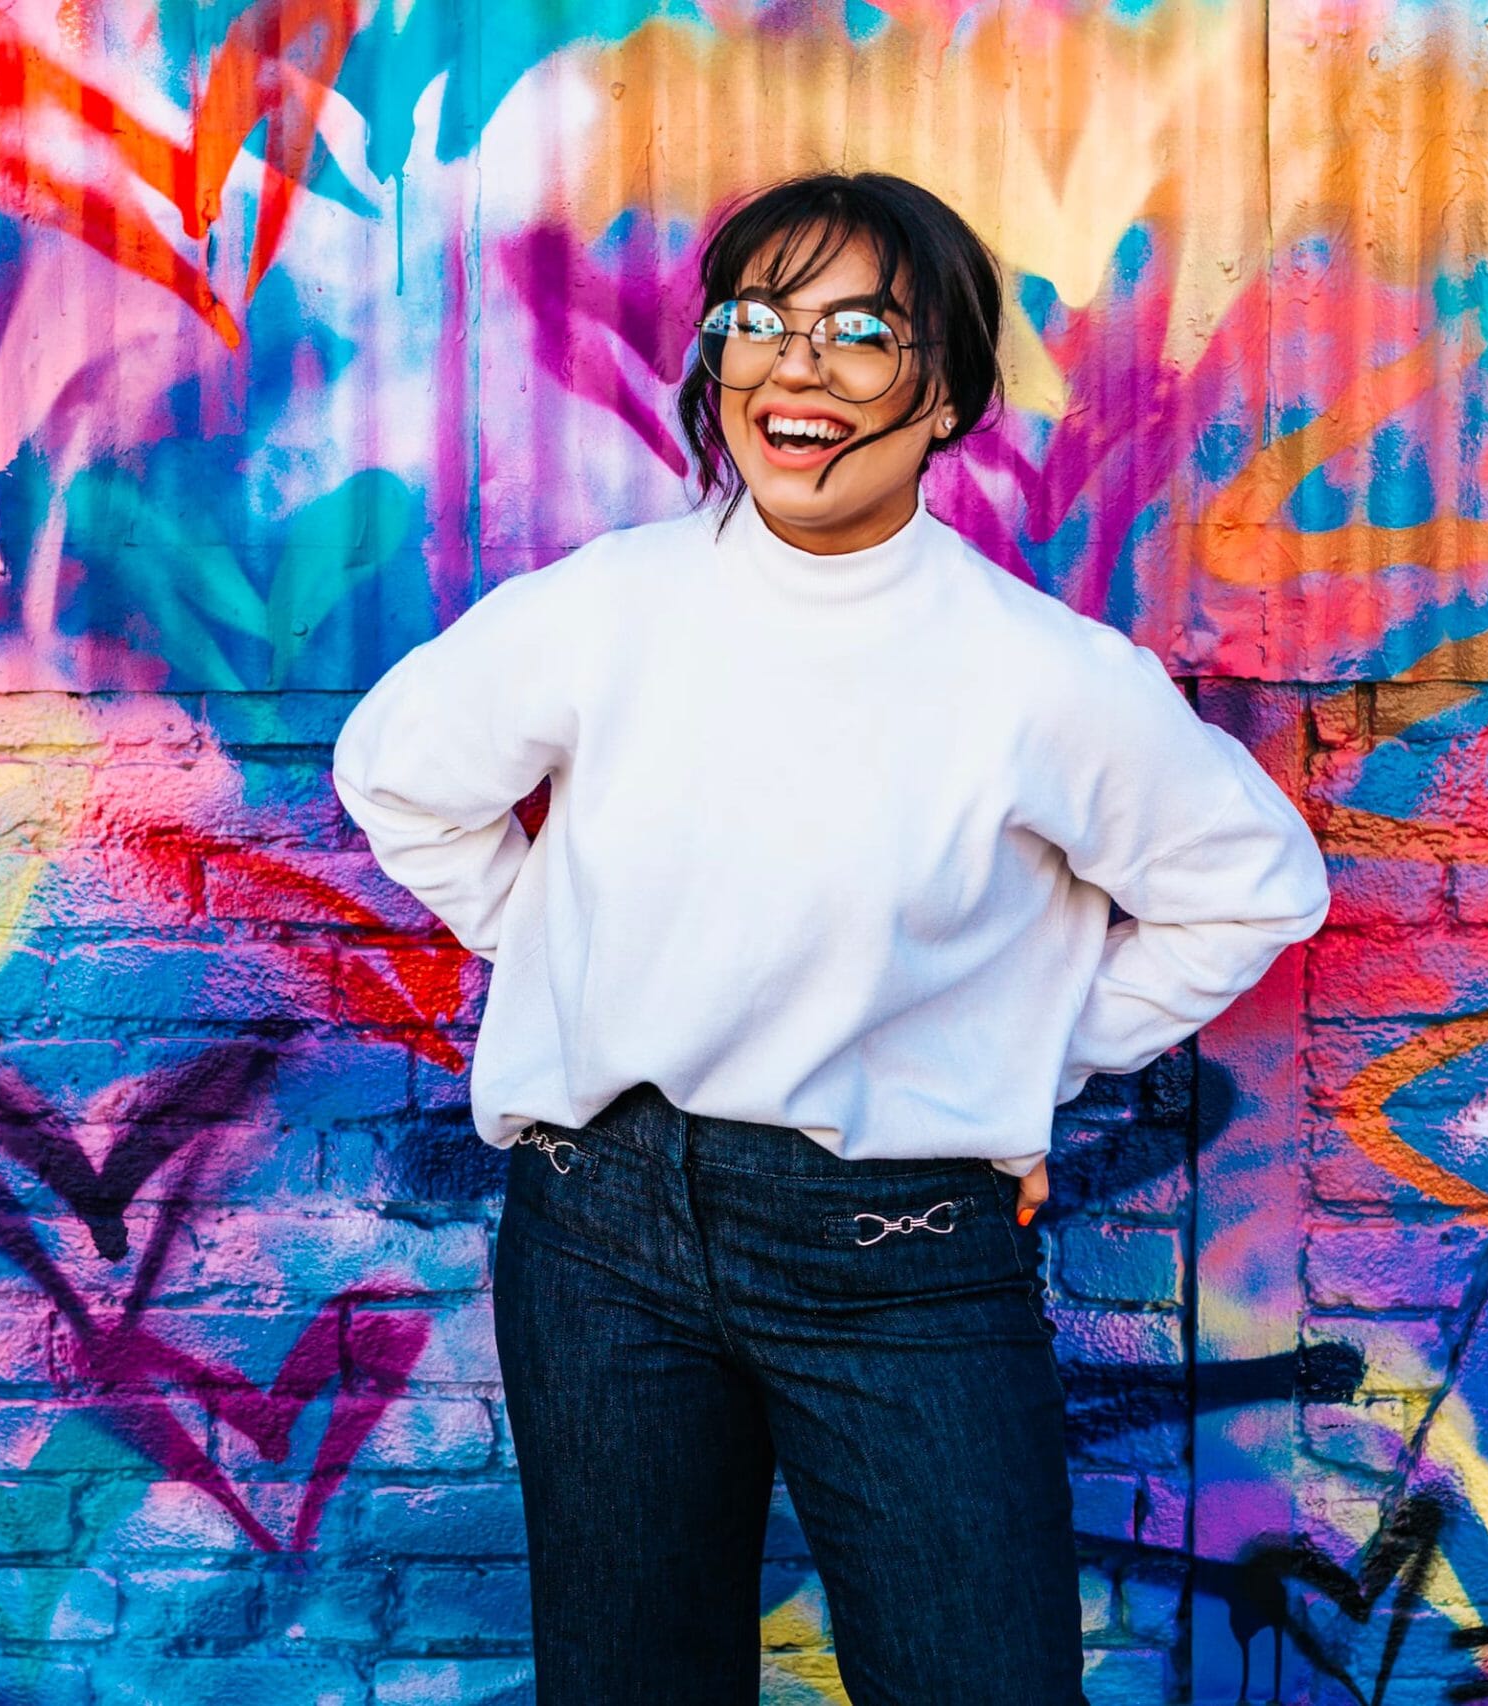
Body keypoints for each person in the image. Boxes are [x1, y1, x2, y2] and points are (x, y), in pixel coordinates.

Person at [331, 171, 1330, 1706]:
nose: (796, 368)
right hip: (601, 1239)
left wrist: (1032, 1053)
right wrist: (560, 953)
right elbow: (401, 775)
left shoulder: (1037, 675)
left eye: (862, 332)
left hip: (900, 1258)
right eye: (758, 322)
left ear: (946, 396)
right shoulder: (611, 609)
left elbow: (1256, 885)